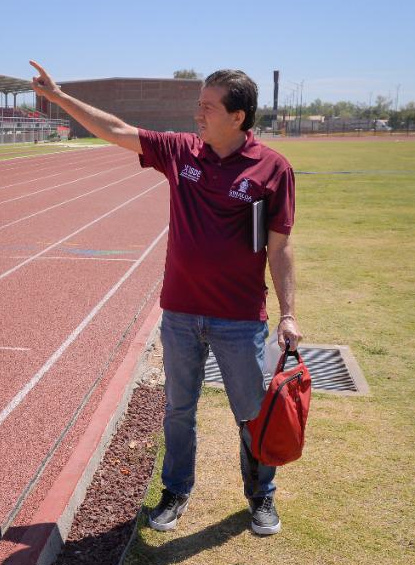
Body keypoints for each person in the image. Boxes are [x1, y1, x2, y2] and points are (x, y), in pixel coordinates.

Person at [29, 62, 300, 536]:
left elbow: (279, 249)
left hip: (239, 318)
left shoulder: (272, 169)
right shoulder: (181, 151)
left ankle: (261, 498)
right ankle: (175, 493)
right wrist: (61, 99)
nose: (198, 114)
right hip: (178, 314)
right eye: (198, 104)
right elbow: (116, 130)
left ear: (238, 117)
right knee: (178, 410)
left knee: (250, 413)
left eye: (208, 107)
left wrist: (289, 314)